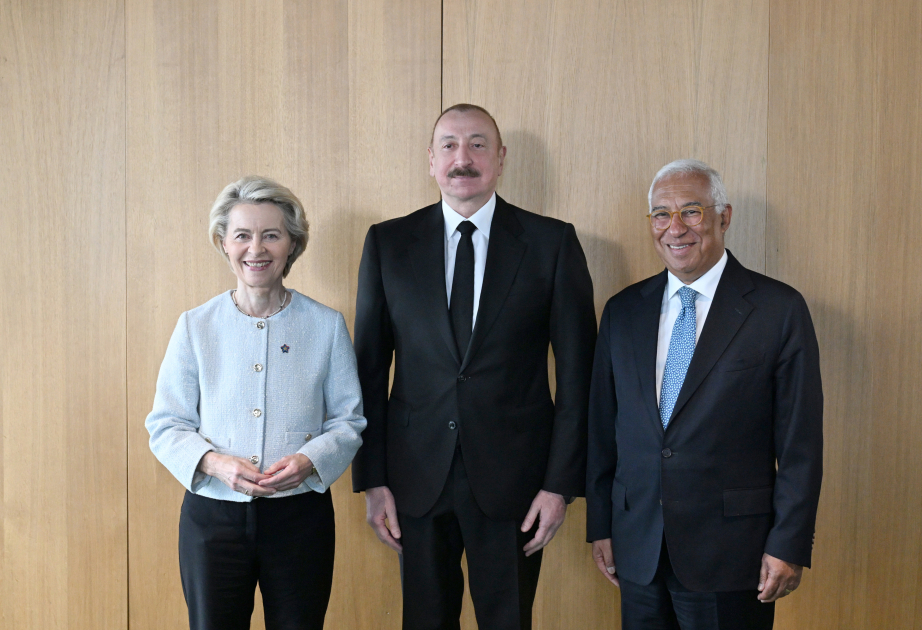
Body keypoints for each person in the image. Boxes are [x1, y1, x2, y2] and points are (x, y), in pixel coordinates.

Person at [352, 104, 597, 629]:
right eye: (449, 145)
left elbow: (580, 380)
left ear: (501, 158)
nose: (462, 158)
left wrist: (559, 487)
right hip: (414, 480)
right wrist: (373, 481)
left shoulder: (552, 244)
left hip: (516, 484)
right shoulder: (388, 244)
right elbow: (369, 373)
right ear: (431, 159)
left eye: (478, 144)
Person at [586, 159, 823, 629]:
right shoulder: (622, 312)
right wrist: (602, 526)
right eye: (660, 214)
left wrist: (788, 543)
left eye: (691, 211)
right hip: (638, 550)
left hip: (733, 554)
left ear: (723, 217)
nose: (675, 228)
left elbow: (801, 444)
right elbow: (602, 430)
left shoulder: (778, 310)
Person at [146, 176, 366, 630]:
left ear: (292, 244)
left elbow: (349, 420)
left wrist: (310, 459)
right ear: (223, 243)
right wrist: (215, 464)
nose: (256, 249)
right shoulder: (195, 326)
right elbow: (166, 424)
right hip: (213, 520)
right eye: (242, 235)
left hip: (300, 517)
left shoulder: (326, 326)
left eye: (271, 235)